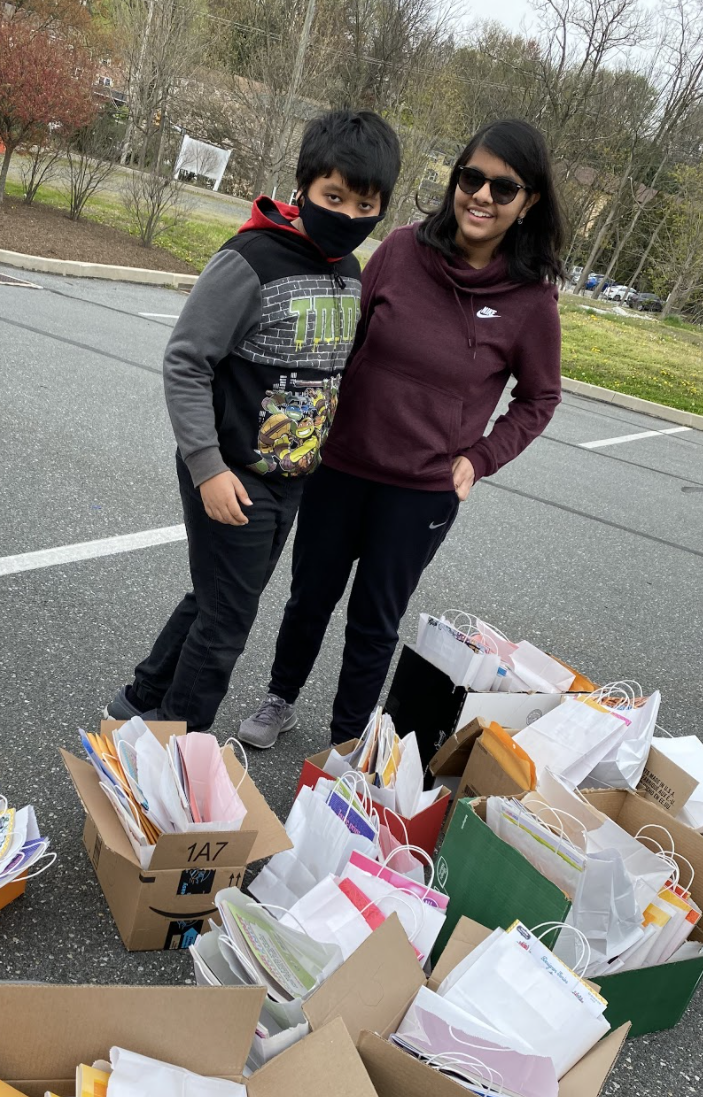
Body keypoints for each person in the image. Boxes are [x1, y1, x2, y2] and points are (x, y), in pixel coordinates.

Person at [239, 118, 565, 749]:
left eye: (505, 188)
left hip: (421, 492)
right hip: (340, 468)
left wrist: (482, 455)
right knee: (309, 598)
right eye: (472, 178)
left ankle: (346, 742)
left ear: (528, 203)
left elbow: (540, 397)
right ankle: (280, 697)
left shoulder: (531, 300)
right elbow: (343, 342)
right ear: (455, 180)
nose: (482, 196)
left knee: (374, 620)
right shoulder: (399, 249)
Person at [104, 109, 402, 731]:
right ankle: (172, 747)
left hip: (290, 477)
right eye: (333, 197)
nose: (347, 215)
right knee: (227, 624)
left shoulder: (349, 273)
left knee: (216, 599)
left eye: (364, 204)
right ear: (304, 188)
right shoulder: (251, 260)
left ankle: (139, 699)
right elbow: (187, 362)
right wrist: (207, 469)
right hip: (230, 472)